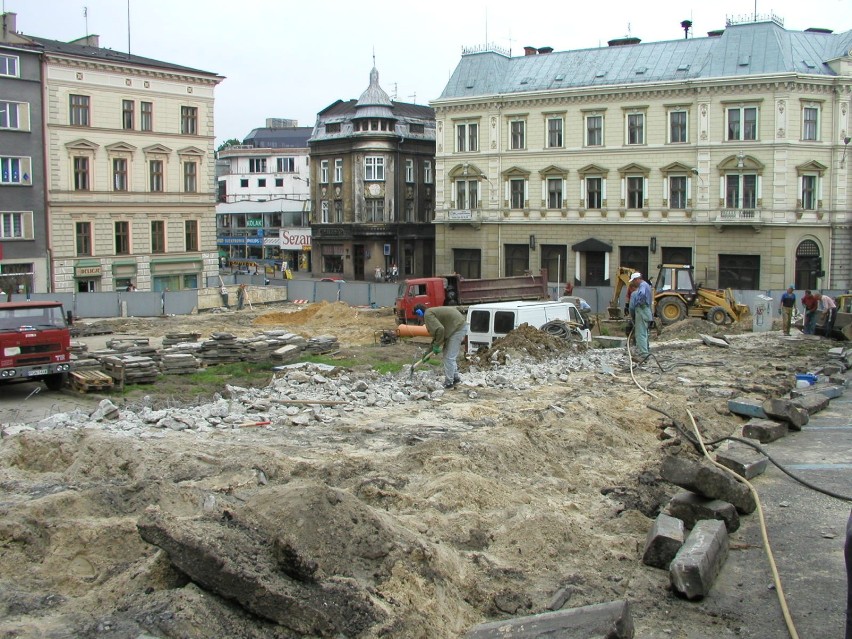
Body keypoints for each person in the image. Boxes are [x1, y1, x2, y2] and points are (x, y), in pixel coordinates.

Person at [414, 303, 467, 389]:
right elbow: (437, 336)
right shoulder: (430, 313)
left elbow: (440, 329)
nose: (417, 318)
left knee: (449, 357)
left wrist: (437, 345)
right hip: (456, 326)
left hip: (457, 328)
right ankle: (455, 377)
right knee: (447, 354)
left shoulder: (427, 315)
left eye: (417, 315)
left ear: (419, 313)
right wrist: (428, 353)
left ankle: (449, 382)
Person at [628, 272, 653, 360]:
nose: (633, 283)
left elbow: (641, 295)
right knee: (645, 333)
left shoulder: (642, 286)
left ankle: (644, 355)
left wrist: (638, 304)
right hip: (647, 311)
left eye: (633, 281)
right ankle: (646, 351)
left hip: (642, 310)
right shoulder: (647, 285)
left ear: (637, 279)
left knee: (640, 334)